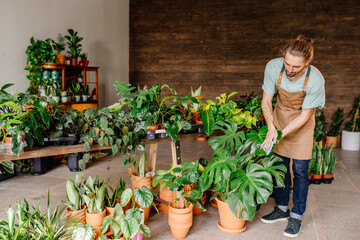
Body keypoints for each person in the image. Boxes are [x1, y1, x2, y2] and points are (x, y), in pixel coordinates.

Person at [260, 35, 325, 238]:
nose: (289, 69)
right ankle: (281, 208)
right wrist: (272, 127)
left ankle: (296, 216)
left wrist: (280, 133)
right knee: (279, 166)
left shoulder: (315, 79)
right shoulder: (273, 67)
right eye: (287, 63)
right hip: (278, 117)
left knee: (299, 170)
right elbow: (266, 100)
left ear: (307, 63)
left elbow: (306, 114)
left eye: (296, 66)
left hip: (301, 124)